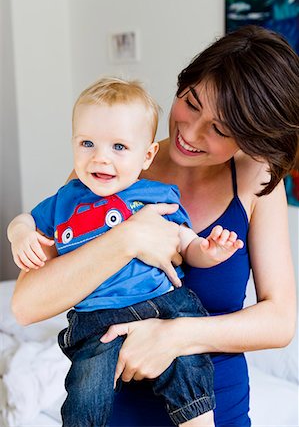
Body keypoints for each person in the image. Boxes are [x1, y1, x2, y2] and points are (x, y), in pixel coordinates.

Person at [11, 25, 298, 427]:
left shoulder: (256, 179)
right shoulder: (111, 165)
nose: (190, 133)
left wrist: (174, 336)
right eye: (191, 102)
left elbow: (281, 320)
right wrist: (128, 239)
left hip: (216, 406)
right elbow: (26, 305)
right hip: (116, 409)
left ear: (250, 139)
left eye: (219, 129)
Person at [8, 77, 244, 427]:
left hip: (162, 304)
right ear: (73, 145)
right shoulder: (65, 201)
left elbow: (183, 242)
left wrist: (208, 251)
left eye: (119, 147)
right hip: (97, 318)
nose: (101, 158)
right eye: (87, 143)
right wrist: (20, 234)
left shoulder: (156, 195)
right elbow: (25, 220)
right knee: (86, 386)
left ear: (146, 155)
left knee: (189, 367)